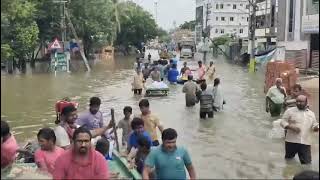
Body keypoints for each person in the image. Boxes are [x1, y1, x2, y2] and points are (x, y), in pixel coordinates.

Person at [280, 95, 319, 164]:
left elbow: (314, 125)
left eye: (301, 102)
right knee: (289, 161)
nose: (298, 103)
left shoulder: (311, 114)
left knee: (307, 163)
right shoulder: (290, 111)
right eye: (297, 101)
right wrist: (291, 127)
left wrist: (316, 128)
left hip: (305, 142)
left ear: (306, 102)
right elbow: (282, 121)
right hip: (291, 141)